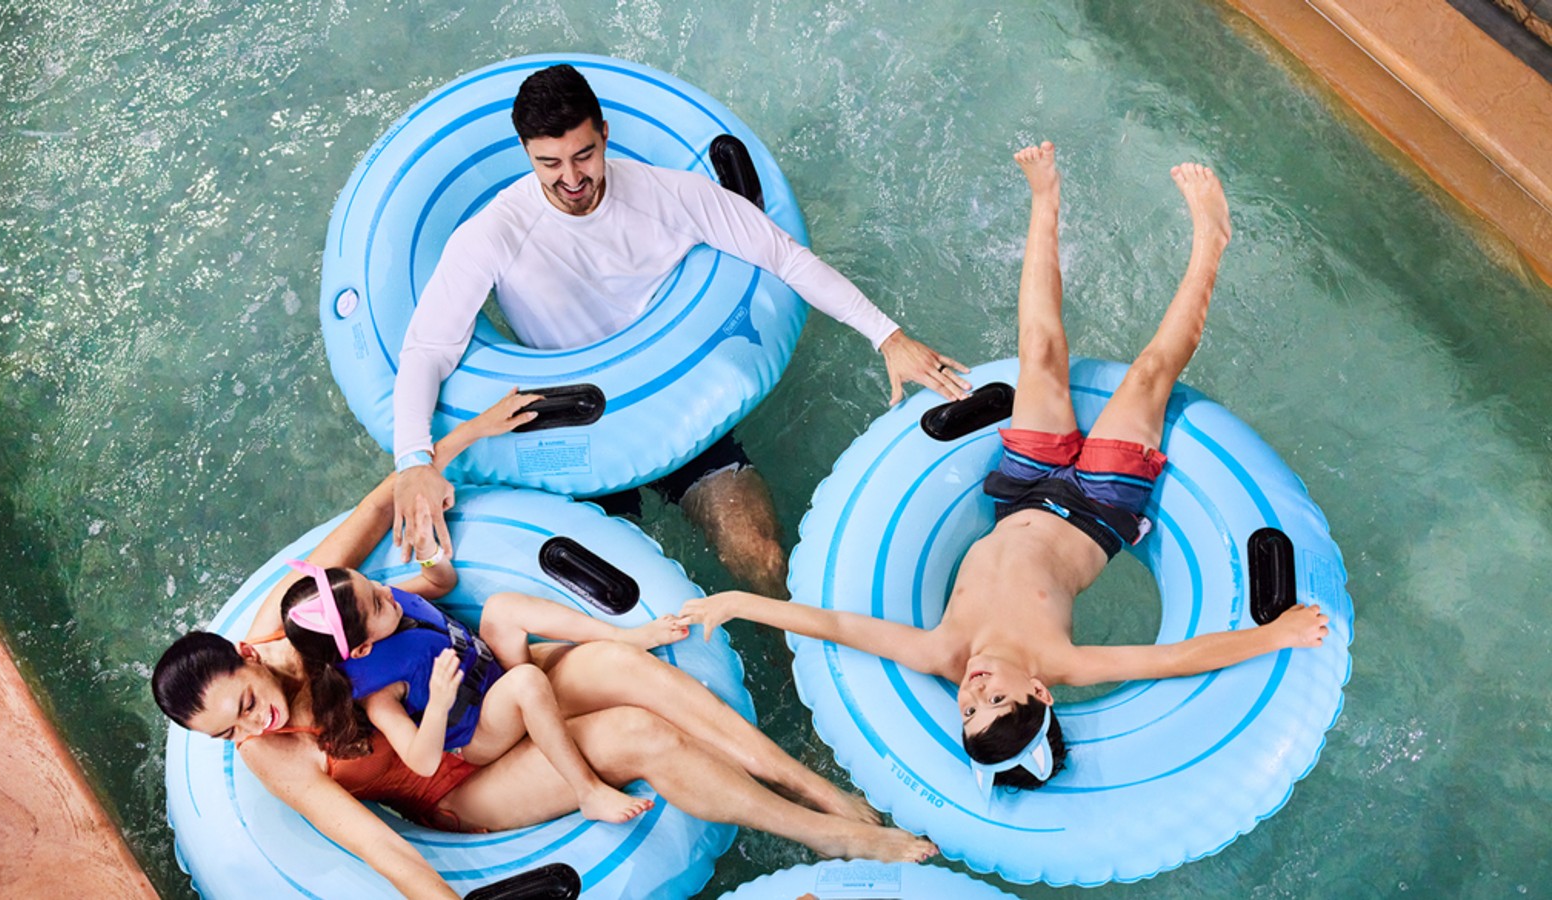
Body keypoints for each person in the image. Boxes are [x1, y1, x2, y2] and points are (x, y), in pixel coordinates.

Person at [681, 144, 1330, 793]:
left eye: (966, 709)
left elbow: (842, 626)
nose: (976, 692)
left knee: (1039, 352)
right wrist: (1279, 635)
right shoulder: (1061, 660)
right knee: (1150, 374)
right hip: (1100, 506)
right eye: (997, 702)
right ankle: (1211, 240)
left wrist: (741, 601)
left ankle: (1045, 200)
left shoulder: (945, 651)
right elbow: (1176, 658)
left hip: (1020, 494)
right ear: (1041, 691)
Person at [153, 392, 936, 900]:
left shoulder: (295, 617)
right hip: (458, 786)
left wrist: (443, 454)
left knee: (619, 665)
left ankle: (819, 789)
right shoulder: (274, 753)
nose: (249, 730)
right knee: (635, 734)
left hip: (483, 698)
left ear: (249, 657)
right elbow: (379, 849)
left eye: (244, 707)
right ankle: (828, 834)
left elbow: (382, 504)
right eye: (227, 731)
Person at [391, 63, 974, 598]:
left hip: (674, 405)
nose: (571, 178)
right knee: (611, 597)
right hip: (574, 433)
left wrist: (888, 336)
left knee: (761, 556)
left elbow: (784, 256)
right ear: (525, 153)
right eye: (550, 163)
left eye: (584, 155)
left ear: (606, 133)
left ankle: (794, 665)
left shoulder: (666, 194)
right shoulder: (494, 232)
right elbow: (427, 349)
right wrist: (414, 459)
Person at [280, 540, 689, 823]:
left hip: (489, 675)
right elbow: (421, 763)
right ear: (363, 649)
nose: (385, 592)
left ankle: (627, 635)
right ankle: (587, 792)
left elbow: (442, 581)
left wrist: (429, 555)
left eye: (370, 583)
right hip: (477, 735)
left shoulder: (383, 605)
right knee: (526, 682)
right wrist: (438, 704)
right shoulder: (379, 696)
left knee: (502, 607)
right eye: (375, 602)